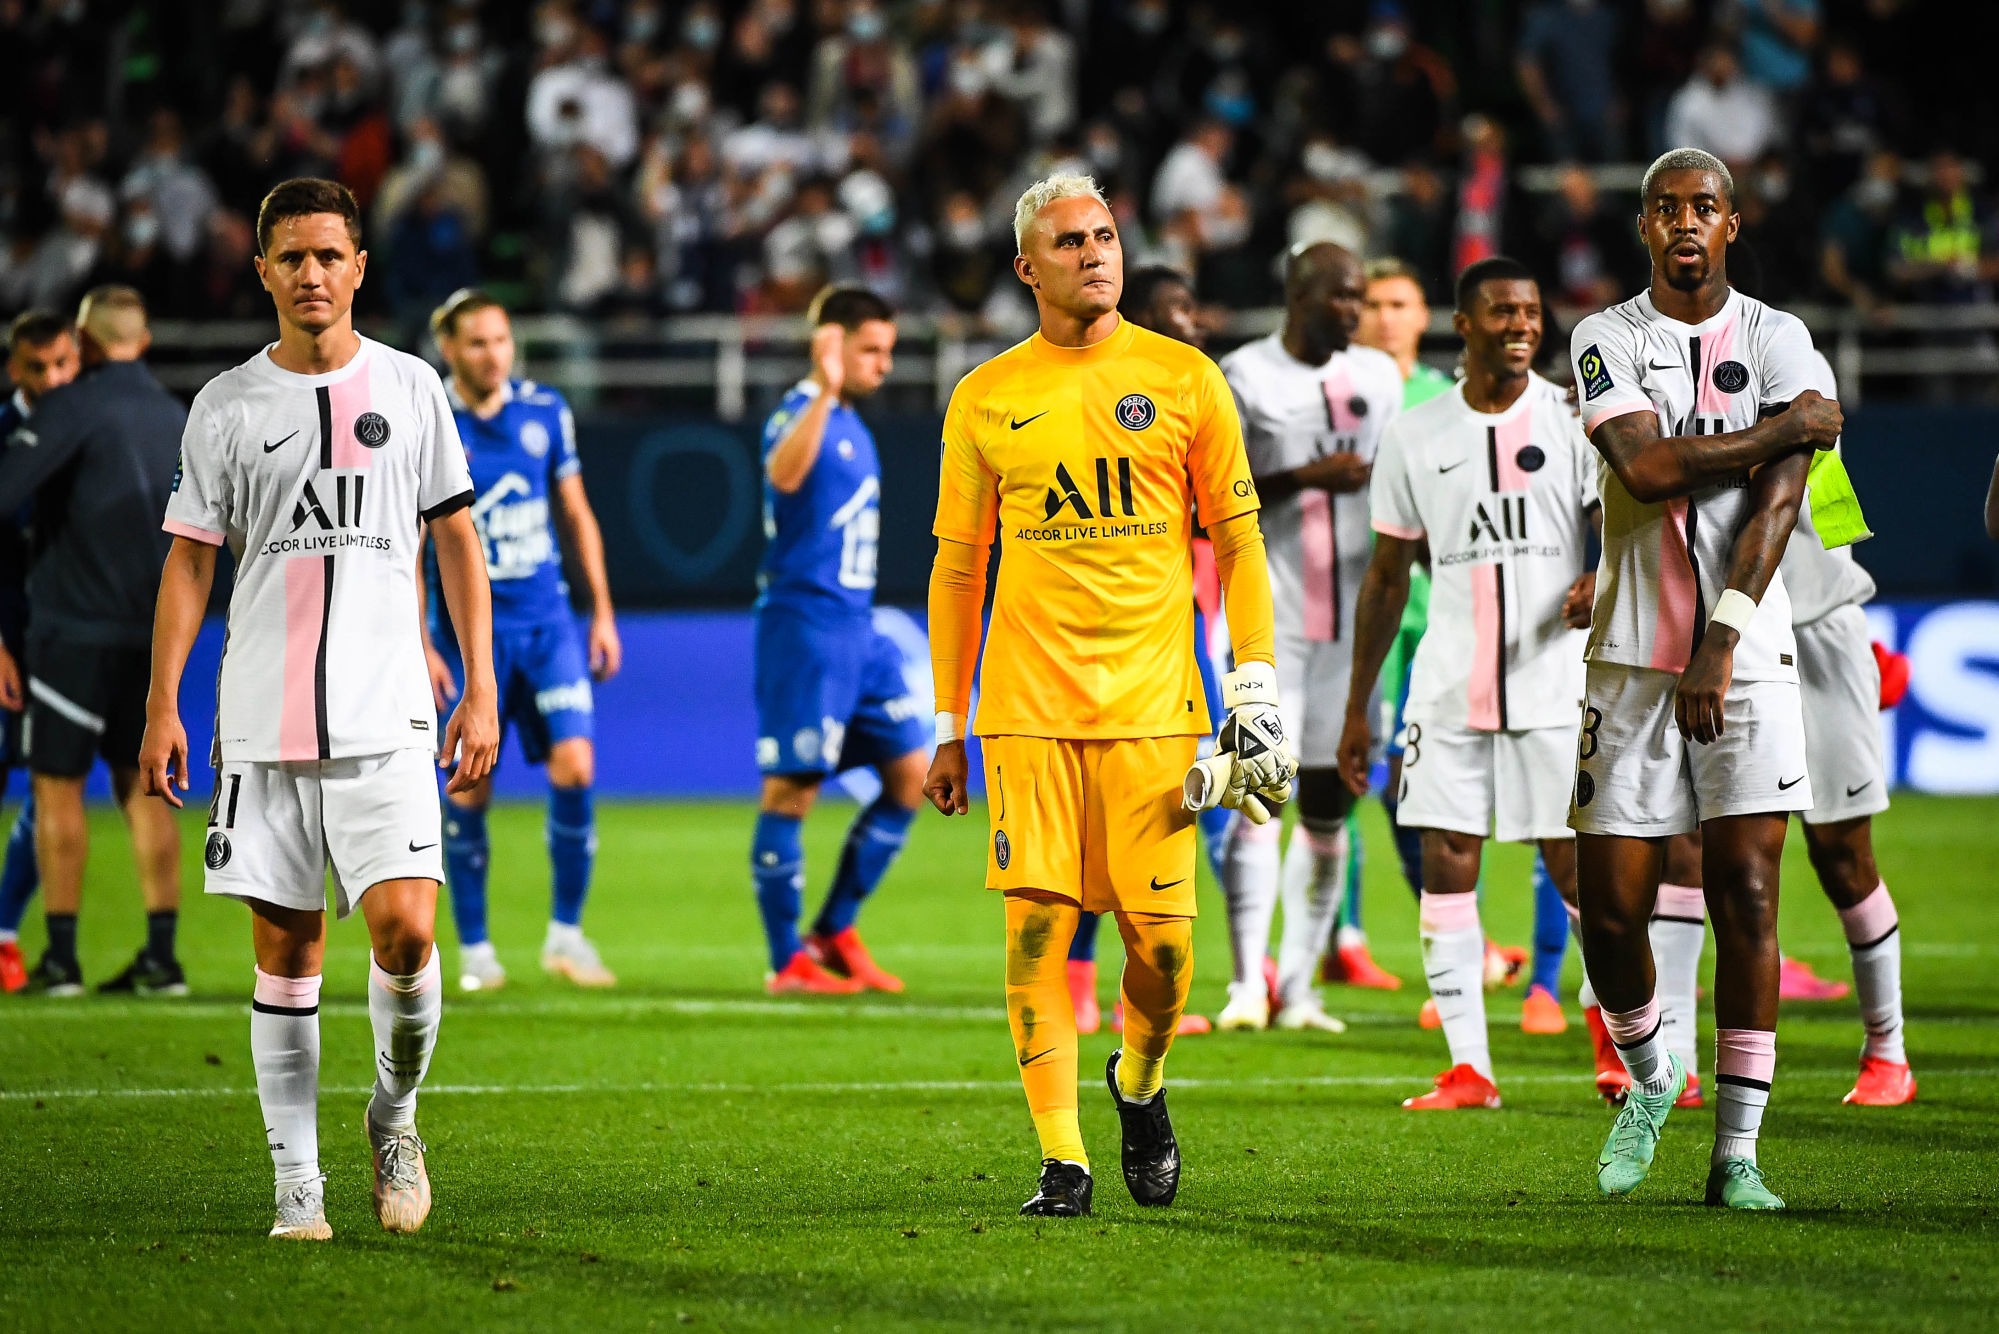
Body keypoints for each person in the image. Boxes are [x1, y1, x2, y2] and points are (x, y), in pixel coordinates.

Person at [139, 177, 499, 1241]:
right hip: (262, 720)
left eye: (328, 255)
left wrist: (478, 682)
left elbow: (458, 541)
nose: (311, 274)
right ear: (262, 270)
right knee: (287, 957)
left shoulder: (413, 386)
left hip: (390, 715)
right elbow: (188, 562)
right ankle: (298, 1181)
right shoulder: (225, 406)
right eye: (291, 257)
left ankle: (395, 1115)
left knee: (403, 935)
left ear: (357, 268)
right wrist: (163, 702)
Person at [924, 173, 1285, 1218]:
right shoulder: (986, 394)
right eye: (1069, 241)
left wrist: (1250, 682)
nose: (1094, 252)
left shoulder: (1182, 378)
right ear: (1026, 268)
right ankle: (1062, 1157)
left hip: (1155, 711)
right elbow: (956, 569)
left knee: (1164, 950)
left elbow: (1238, 537)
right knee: (1034, 935)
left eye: (1105, 234)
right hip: (1028, 712)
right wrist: (949, 725)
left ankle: (1138, 1080)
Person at [1567, 148, 1845, 1211]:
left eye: (1704, 208)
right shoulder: (1604, 337)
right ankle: (1650, 1071)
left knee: (1747, 891)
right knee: (1610, 909)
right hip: (1631, 656)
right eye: (1666, 208)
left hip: (1748, 652)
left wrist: (1723, 635)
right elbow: (1641, 467)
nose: (1685, 223)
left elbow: (1779, 504)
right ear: (1643, 226)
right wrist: (1785, 426)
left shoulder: (1779, 335)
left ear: (1733, 222)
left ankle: (1735, 1151)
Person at [1338, 257, 1600, 1111]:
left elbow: (1629, 524)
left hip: (1554, 683)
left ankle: (1620, 1048)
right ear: (1463, 325)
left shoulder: (1572, 418)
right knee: (1447, 862)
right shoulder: (1416, 434)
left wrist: (1603, 577)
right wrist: (1355, 707)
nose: (1521, 324)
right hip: (1446, 683)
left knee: (1577, 869)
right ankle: (1468, 1069)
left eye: (1530, 311)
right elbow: (1385, 575)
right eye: (1501, 312)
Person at [1639, 350, 1915, 1109]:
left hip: (1816, 629)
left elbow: (1811, 505)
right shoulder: (1645, 365)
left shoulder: (1789, 360)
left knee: (1839, 850)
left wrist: (1848, 623)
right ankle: (1679, 1065)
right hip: (1710, 632)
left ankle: (1886, 1051)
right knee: (1689, 846)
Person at [1213, 241, 1402, 1033]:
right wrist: (1302, 478)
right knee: (1256, 798)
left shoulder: (1378, 378)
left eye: (1359, 298)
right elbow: (1205, 502)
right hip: (1267, 626)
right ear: (1300, 296)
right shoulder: (1241, 376)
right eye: (1342, 297)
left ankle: (1296, 990)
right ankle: (1244, 987)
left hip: (1349, 640)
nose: (1355, 312)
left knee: (1328, 808)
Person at [424, 289, 621, 993]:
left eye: (501, 339)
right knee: (470, 786)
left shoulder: (545, 411)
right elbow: (413, 535)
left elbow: (574, 511)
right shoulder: (431, 417)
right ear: (448, 349)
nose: (493, 354)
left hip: (548, 624)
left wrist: (599, 610)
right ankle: (475, 950)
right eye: (477, 342)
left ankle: (567, 935)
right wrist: (419, 634)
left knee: (575, 766)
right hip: (471, 634)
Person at [0, 287, 185, 996]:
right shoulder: (179, 414)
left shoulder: (71, 406)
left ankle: (63, 958)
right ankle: (162, 958)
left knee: (56, 790)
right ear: (144, 338)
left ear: (87, 342)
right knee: (146, 790)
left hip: (72, 630)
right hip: (154, 632)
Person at [750, 285, 925, 995]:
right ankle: (786, 960)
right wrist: (822, 390)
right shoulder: (801, 412)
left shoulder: (851, 420)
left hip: (860, 629)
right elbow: (783, 475)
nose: (883, 365)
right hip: (806, 626)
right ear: (830, 344)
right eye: (869, 350)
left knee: (909, 776)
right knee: (792, 791)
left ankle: (833, 929)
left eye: (888, 350)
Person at [1063, 264, 1220, 1040]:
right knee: (1098, 828)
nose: (1189, 322)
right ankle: (1080, 981)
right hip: (1112, 640)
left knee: (1175, 813)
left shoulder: (1190, 390)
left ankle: (1131, 987)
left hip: (1182, 627)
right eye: (1173, 311)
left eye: (1191, 309)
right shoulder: (1100, 393)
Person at [1327, 258, 1453, 994]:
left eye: (1397, 302)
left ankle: (1444, 932)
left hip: (1433, 617)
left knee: (1419, 784)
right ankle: (1343, 934)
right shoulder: (1339, 392)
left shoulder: (1449, 397)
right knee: (1345, 775)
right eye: (1371, 302)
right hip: (1359, 613)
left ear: (1421, 313)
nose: (1382, 315)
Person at [0, 311, 79, 992]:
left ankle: (2, 933)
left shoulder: (85, 430)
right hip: (10, 637)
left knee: (51, 786)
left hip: (60, 637)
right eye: (38, 368)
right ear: (14, 370)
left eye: (62, 365)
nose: (52, 380)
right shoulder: (6, 438)